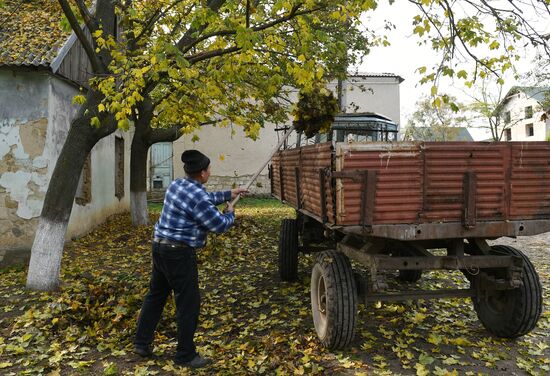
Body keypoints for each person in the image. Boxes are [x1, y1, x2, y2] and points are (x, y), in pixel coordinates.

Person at [134, 149, 247, 368]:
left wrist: (230, 192)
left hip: (159, 248)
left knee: (155, 296)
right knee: (188, 304)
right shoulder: (198, 198)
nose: (210, 172)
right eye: (209, 169)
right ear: (203, 173)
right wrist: (230, 212)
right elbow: (219, 225)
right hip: (178, 254)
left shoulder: (177, 184)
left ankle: (141, 343)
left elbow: (203, 199)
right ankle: (185, 355)